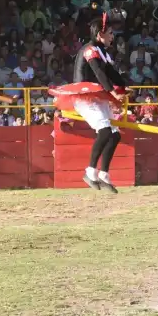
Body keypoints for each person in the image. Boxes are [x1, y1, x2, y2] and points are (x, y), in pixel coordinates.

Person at [54, 14, 129, 192]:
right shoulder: (90, 50)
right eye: (110, 33)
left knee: (115, 134)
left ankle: (103, 174)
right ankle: (90, 172)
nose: (113, 36)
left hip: (97, 96)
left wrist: (124, 89)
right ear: (99, 34)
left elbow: (111, 73)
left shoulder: (102, 52)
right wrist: (112, 92)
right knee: (104, 131)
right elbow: (99, 73)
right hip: (83, 96)